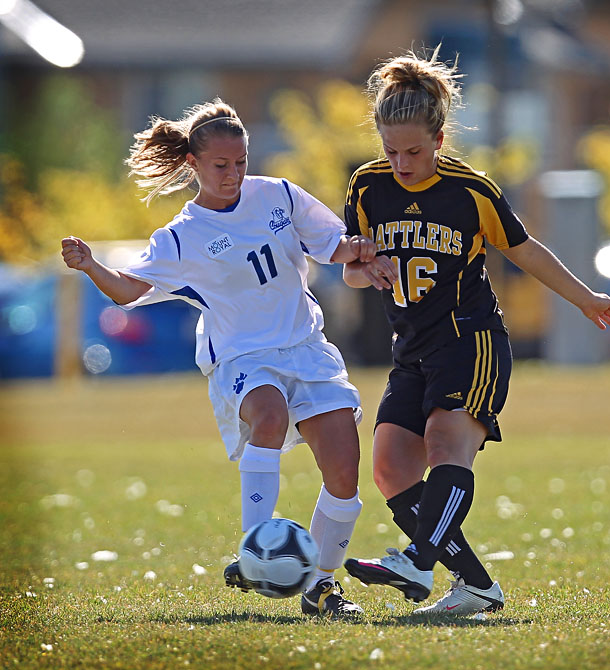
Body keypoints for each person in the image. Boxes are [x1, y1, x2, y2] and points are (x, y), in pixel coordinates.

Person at [60, 98, 375, 617]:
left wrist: (359, 248)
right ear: (193, 164)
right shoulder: (182, 237)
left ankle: (320, 587)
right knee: (269, 416)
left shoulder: (279, 194)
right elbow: (128, 290)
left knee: (344, 473)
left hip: (306, 347)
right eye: (221, 165)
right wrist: (92, 265)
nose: (233, 175)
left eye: (241, 162)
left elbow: (332, 245)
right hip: (242, 356)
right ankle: (255, 552)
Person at [340, 49, 610, 615]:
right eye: (391, 151)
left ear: (439, 140)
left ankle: (418, 559)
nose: (401, 163)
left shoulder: (470, 191)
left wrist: (585, 299)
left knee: (446, 444)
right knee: (391, 469)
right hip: (411, 350)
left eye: (414, 152)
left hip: (470, 341)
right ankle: (475, 586)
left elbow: (526, 251)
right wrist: (364, 264)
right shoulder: (367, 186)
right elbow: (349, 268)